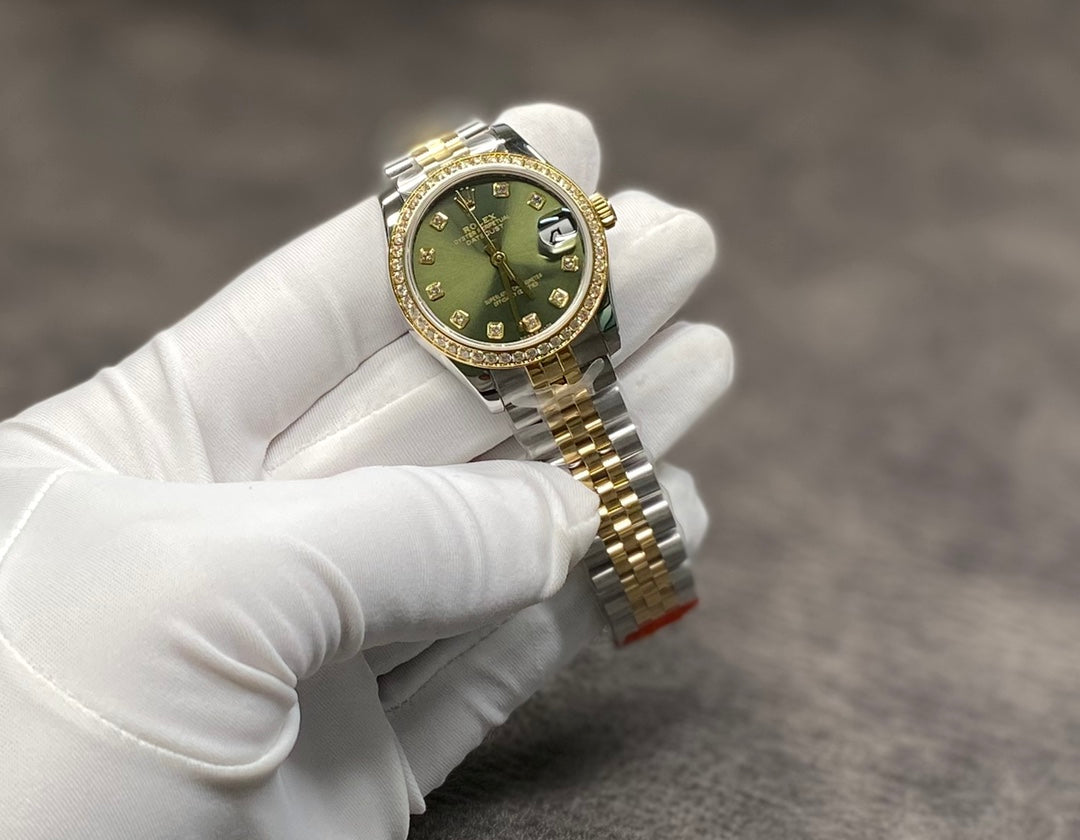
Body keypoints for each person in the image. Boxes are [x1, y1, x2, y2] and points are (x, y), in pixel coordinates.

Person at [0, 103, 733, 839]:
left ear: (589, 219)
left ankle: (648, 585)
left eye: (501, 244)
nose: (496, 255)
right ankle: (647, 586)